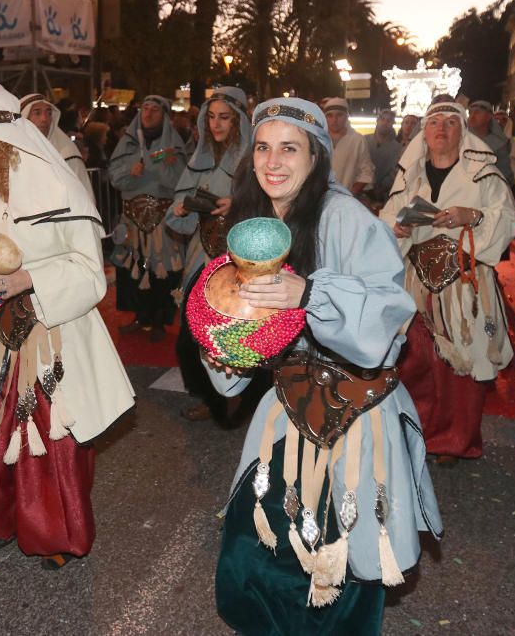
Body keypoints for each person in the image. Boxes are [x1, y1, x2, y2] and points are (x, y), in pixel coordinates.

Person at [203, 96, 441, 634]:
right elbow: (243, 327)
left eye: (290, 148)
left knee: (335, 550)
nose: (273, 162)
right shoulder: (257, 223)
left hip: (354, 415)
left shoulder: (348, 219)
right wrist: (224, 337)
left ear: (318, 156)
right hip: (288, 401)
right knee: (258, 539)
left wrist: (309, 293)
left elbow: (388, 317)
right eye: (263, 148)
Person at [0, 83, 135, 569]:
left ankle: (55, 533)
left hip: (52, 335)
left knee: (52, 437)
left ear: (6, 139)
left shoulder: (61, 186)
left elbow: (91, 275)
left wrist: (28, 279)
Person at [380, 101, 515, 461]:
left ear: (464, 131)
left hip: (465, 285)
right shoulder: (410, 176)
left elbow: (507, 221)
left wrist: (472, 216)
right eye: (434, 122)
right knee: (416, 362)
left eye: (451, 123)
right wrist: (397, 227)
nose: (442, 129)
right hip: (417, 285)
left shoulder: (484, 176)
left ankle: (456, 441)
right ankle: (416, 433)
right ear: (423, 132)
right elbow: (387, 220)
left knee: (463, 368)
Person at [164, 86, 253, 424]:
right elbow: (178, 209)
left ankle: (242, 396)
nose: (216, 125)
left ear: (238, 121)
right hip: (201, 255)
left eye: (224, 118)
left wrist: (239, 204)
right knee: (192, 333)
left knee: (238, 328)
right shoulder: (199, 157)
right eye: (211, 117)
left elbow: (273, 206)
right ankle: (206, 395)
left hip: (241, 258)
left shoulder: (253, 158)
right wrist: (184, 206)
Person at [108, 95, 188, 341]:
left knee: (162, 270)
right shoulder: (128, 143)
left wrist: (157, 167)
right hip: (132, 218)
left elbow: (179, 182)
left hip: (162, 219)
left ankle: (159, 321)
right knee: (133, 268)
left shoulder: (174, 148)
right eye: (145, 108)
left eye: (155, 109)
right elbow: (115, 177)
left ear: (164, 115)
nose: (149, 113)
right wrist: (132, 172)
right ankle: (140, 316)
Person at [20, 93, 95, 202]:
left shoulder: (67, 155)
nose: (44, 119)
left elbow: (85, 199)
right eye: (37, 113)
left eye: (49, 113)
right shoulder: (10, 153)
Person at [322, 97, 374, 196]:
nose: (334, 120)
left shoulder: (357, 140)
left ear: (346, 116)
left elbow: (366, 172)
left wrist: (349, 195)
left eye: (339, 115)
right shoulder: (318, 139)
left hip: (346, 199)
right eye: (330, 115)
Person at [364, 109, 402, 211]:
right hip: (363, 192)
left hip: (385, 196)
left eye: (389, 120)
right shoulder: (364, 141)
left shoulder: (397, 148)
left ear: (392, 124)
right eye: (383, 119)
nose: (385, 123)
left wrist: (381, 188)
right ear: (377, 120)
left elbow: (395, 171)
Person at [467, 100, 514, 183]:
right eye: (470, 112)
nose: (472, 116)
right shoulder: (461, 141)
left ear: (488, 117)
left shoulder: (498, 145)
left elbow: (505, 175)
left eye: (477, 112)